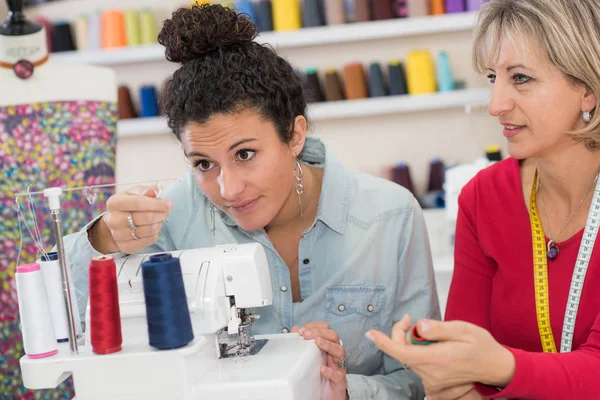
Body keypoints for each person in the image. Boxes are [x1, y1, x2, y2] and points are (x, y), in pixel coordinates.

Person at [62, 4, 440, 399]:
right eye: (204, 163)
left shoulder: (389, 217)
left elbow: (422, 378)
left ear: (295, 135)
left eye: (245, 154)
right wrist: (104, 237)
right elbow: (69, 312)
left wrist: (348, 392)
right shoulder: (173, 215)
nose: (227, 189)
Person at [365, 0, 600, 399]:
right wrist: (438, 360)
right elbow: (463, 351)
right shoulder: (485, 197)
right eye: (493, 77)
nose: (496, 105)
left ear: (588, 91)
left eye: (521, 78)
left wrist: (496, 366)